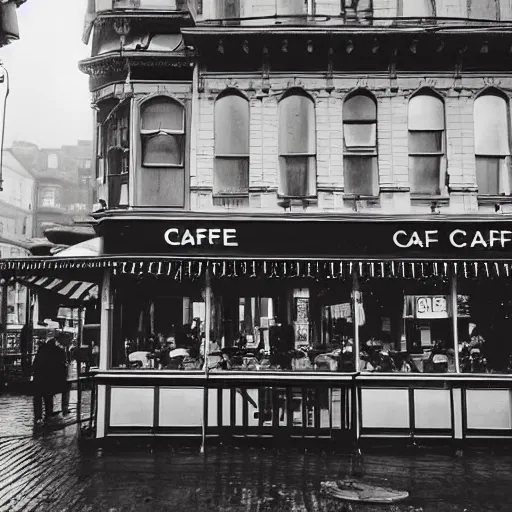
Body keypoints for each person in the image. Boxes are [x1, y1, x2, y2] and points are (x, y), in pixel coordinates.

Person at [32, 333, 67, 426]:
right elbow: (62, 368)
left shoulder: (42, 350)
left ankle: (38, 418)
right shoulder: (59, 351)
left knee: (38, 399)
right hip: (49, 380)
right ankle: (48, 416)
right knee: (48, 398)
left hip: (39, 379)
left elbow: (35, 365)